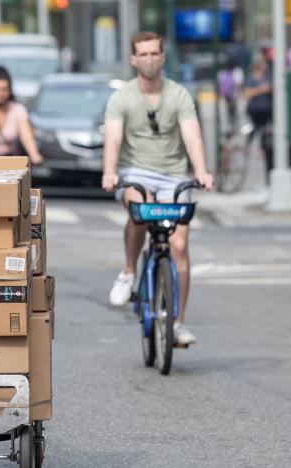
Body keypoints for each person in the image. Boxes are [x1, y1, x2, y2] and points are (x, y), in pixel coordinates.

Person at [101, 31, 214, 346]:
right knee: (140, 207)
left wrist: (201, 171)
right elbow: (112, 138)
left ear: (163, 57)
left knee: (179, 247)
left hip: (174, 175)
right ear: (133, 59)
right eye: (144, 54)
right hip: (134, 171)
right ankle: (128, 270)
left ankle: (177, 323)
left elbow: (192, 137)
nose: (149, 60)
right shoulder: (121, 97)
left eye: (155, 54)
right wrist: (110, 172)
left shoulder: (179, 95)